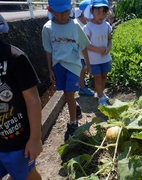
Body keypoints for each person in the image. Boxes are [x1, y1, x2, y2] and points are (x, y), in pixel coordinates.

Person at [0, 14, 42, 180]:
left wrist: (35, 139)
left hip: (19, 142)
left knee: (28, 175)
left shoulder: (15, 57)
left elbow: (33, 100)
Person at [42, 0, 91, 142]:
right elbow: (48, 50)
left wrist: (88, 65)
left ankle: (73, 123)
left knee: (69, 93)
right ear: (50, 10)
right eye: (59, 12)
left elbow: (83, 46)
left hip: (74, 66)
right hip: (58, 65)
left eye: (66, 11)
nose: (63, 15)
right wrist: (50, 69)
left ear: (70, 9)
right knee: (66, 94)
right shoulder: (48, 28)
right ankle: (74, 106)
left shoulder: (75, 25)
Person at [83, 0, 112, 106]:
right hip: (94, 59)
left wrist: (109, 47)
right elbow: (86, 44)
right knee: (98, 77)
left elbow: (109, 39)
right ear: (92, 11)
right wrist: (98, 50)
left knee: (104, 76)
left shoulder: (107, 25)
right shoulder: (88, 27)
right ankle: (100, 97)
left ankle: (101, 93)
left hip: (105, 58)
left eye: (104, 13)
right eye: (98, 12)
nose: (101, 16)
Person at [75, 0, 95, 97]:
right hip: (76, 54)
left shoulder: (84, 23)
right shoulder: (77, 24)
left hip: (81, 53)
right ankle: (82, 88)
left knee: (82, 68)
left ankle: (81, 84)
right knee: (81, 68)